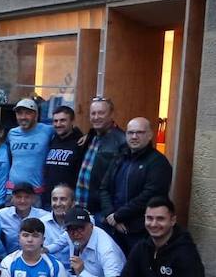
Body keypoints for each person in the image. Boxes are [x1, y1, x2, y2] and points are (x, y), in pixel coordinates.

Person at [98, 118, 172, 252]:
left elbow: (150, 195)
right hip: (114, 228)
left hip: (141, 231)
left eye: (140, 132)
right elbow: (104, 188)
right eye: (130, 132)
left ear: (150, 135)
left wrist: (118, 216)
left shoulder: (158, 162)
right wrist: (111, 215)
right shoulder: (120, 157)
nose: (134, 136)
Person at [75, 97, 125, 212]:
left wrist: (111, 212)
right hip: (82, 207)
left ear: (111, 115)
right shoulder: (90, 137)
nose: (96, 117)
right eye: (93, 113)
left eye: (101, 113)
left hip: (103, 211)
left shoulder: (122, 141)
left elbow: (122, 182)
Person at [5, 98, 51, 196]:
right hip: (12, 191)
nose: (23, 117)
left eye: (27, 113)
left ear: (36, 115)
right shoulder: (12, 133)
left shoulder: (47, 130)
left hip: (35, 192)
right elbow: (0, 149)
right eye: (19, 113)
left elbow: (66, 132)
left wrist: (85, 136)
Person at [41, 105, 87, 201]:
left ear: (72, 121)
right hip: (48, 198)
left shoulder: (80, 142)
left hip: (69, 201)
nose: (58, 124)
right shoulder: (52, 139)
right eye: (55, 121)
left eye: (63, 120)